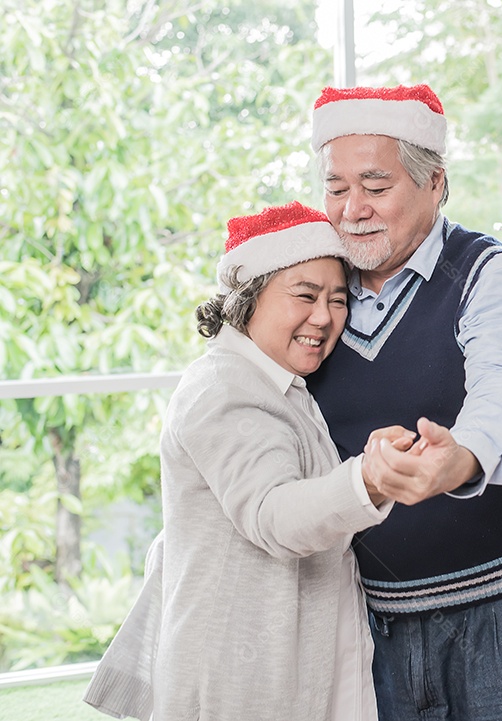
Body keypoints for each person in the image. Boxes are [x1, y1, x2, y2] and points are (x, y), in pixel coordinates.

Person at [305, 84, 502, 721]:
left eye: (376, 185)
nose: (352, 210)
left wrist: (461, 457)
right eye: (337, 187)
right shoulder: (311, 291)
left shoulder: (496, 279)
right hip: (371, 616)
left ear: (436, 185)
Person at [84, 202, 396, 721]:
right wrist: (369, 479)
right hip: (239, 684)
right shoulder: (223, 388)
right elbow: (274, 515)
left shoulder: (284, 386)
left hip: (297, 668)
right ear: (247, 299)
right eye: (304, 295)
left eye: (338, 300)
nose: (323, 316)